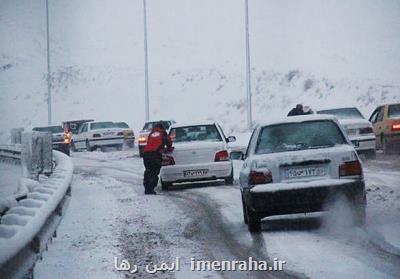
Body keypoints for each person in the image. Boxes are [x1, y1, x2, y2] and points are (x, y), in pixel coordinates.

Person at [142, 122, 173, 195]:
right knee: (154, 172)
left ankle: (147, 188)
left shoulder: (151, 134)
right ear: (162, 128)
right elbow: (168, 142)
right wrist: (169, 148)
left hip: (146, 154)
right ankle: (151, 189)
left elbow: (149, 143)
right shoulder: (163, 133)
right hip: (155, 154)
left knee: (148, 171)